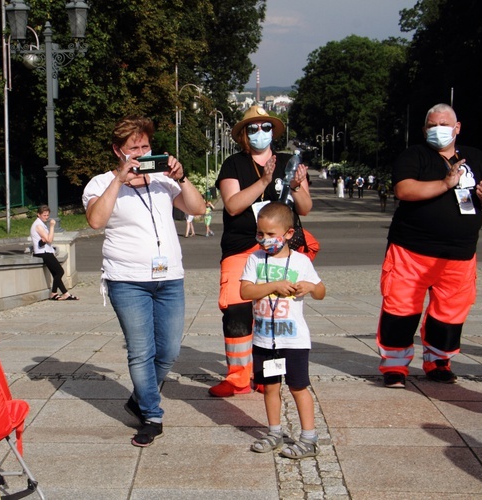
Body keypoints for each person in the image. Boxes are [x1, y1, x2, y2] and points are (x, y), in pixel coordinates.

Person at [82, 115, 205, 446]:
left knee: (169, 349)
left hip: (169, 278)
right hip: (127, 279)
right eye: (133, 147)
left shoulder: (163, 180)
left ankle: (139, 398)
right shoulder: (99, 183)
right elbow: (95, 220)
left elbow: (199, 208)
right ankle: (151, 414)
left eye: (146, 146)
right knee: (141, 351)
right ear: (117, 151)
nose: (140, 152)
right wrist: (118, 181)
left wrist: (182, 176)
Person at [377, 103, 482, 389]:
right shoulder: (415, 155)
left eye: (444, 124)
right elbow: (404, 190)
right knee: (400, 310)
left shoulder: (477, 157)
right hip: (411, 251)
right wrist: (445, 184)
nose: (438, 130)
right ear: (424, 130)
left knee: (449, 313)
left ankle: (439, 362)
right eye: (432, 125)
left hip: (459, 254)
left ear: (457, 128)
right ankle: (395, 367)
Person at [210, 105, 312, 398]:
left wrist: (295, 186)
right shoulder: (233, 165)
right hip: (241, 248)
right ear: (243, 134)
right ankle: (238, 378)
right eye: (253, 128)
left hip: (279, 250)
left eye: (265, 127)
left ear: (273, 132)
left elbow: (305, 208)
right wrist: (264, 181)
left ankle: (268, 375)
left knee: (275, 313)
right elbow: (233, 205)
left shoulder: (289, 164)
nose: (260, 132)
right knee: (237, 309)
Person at [242, 202, 325, 459]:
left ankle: (309, 438)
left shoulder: (300, 261)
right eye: (260, 234)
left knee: (298, 387)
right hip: (265, 339)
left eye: (270, 234)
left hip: (294, 340)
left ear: (288, 234)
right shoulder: (254, 259)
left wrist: (309, 287)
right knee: (269, 387)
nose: (264, 240)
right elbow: (245, 291)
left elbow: (321, 292)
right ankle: (274, 432)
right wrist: (273, 285)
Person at [30, 204, 77, 300]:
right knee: (60, 271)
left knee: (56, 273)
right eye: (44, 215)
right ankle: (54, 293)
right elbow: (49, 240)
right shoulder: (38, 225)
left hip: (46, 251)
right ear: (38, 214)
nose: (46, 217)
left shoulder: (41, 224)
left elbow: (47, 239)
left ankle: (65, 293)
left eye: (47, 215)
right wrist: (52, 226)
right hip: (42, 252)